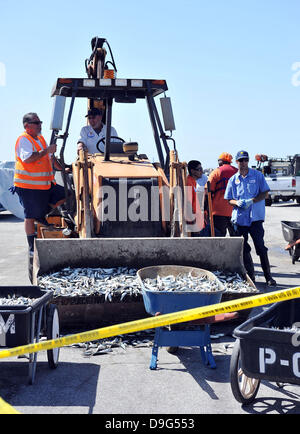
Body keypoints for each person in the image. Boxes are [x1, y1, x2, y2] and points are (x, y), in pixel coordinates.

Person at [14, 112, 66, 254]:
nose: (40, 125)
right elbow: (29, 158)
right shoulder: (24, 139)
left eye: (40, 122)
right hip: (28, 186)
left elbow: (50, 158)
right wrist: (47, 151)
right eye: (37, 123)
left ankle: (41, 214)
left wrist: (64, 168)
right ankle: (31, 247)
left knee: (65, 194)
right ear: (27, 126)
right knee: (29, 216)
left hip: (44, 185)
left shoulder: (40, 139)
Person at [224, 150, 276, 286]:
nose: (243, 163)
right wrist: (237, 203)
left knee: (260, 247)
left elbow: (265, 192)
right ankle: (250, 277)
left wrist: (252, 200)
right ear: (236, 162)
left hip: (255, 218)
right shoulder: (233, 180)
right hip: (240, 219)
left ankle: (268, 277)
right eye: (240, 160)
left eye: (245, 160)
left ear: (248, 161)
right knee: (244, 249)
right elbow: (229, 199)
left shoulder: (257, 175)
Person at [206, 152, 238, 237]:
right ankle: (239, 250)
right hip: (235, 210)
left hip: (218, 211)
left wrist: (206, 209)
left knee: (219, 236)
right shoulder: (237, 172)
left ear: (221, 161)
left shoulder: (216, 172)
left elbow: (208, 192)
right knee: (236, 236)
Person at [186, 160, 205, 234]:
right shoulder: (188, 183)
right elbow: (188, 204)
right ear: (192, 171)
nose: (202, 172)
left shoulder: (193, 182)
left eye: (202, 169)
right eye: (199, 169)